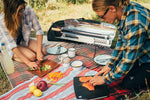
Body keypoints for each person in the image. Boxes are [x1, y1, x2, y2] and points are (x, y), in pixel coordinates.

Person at [89, 0, 150, 89]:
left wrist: (105, 79)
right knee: (119, 71)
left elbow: (128, 60)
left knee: (128, 84)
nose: (102, 20)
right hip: (142, 53)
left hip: (147, 59)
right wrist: (110, 65)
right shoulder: (125, 10)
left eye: (102, 16)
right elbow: (121, 42)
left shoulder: (135, 24)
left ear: (112, 9)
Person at [0, 0, 47, 70]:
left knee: (43, 50)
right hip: (9, 45)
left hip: (23, 40)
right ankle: (4, 55)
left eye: (22, 9)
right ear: (11, 12)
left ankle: (25, 49)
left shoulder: (29, 10)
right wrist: (28, 63)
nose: (22, 13)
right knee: (31, 57)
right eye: (19, 11)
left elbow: (39, 31)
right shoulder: (2, 20)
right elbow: (12, 46)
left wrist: (39, 52)